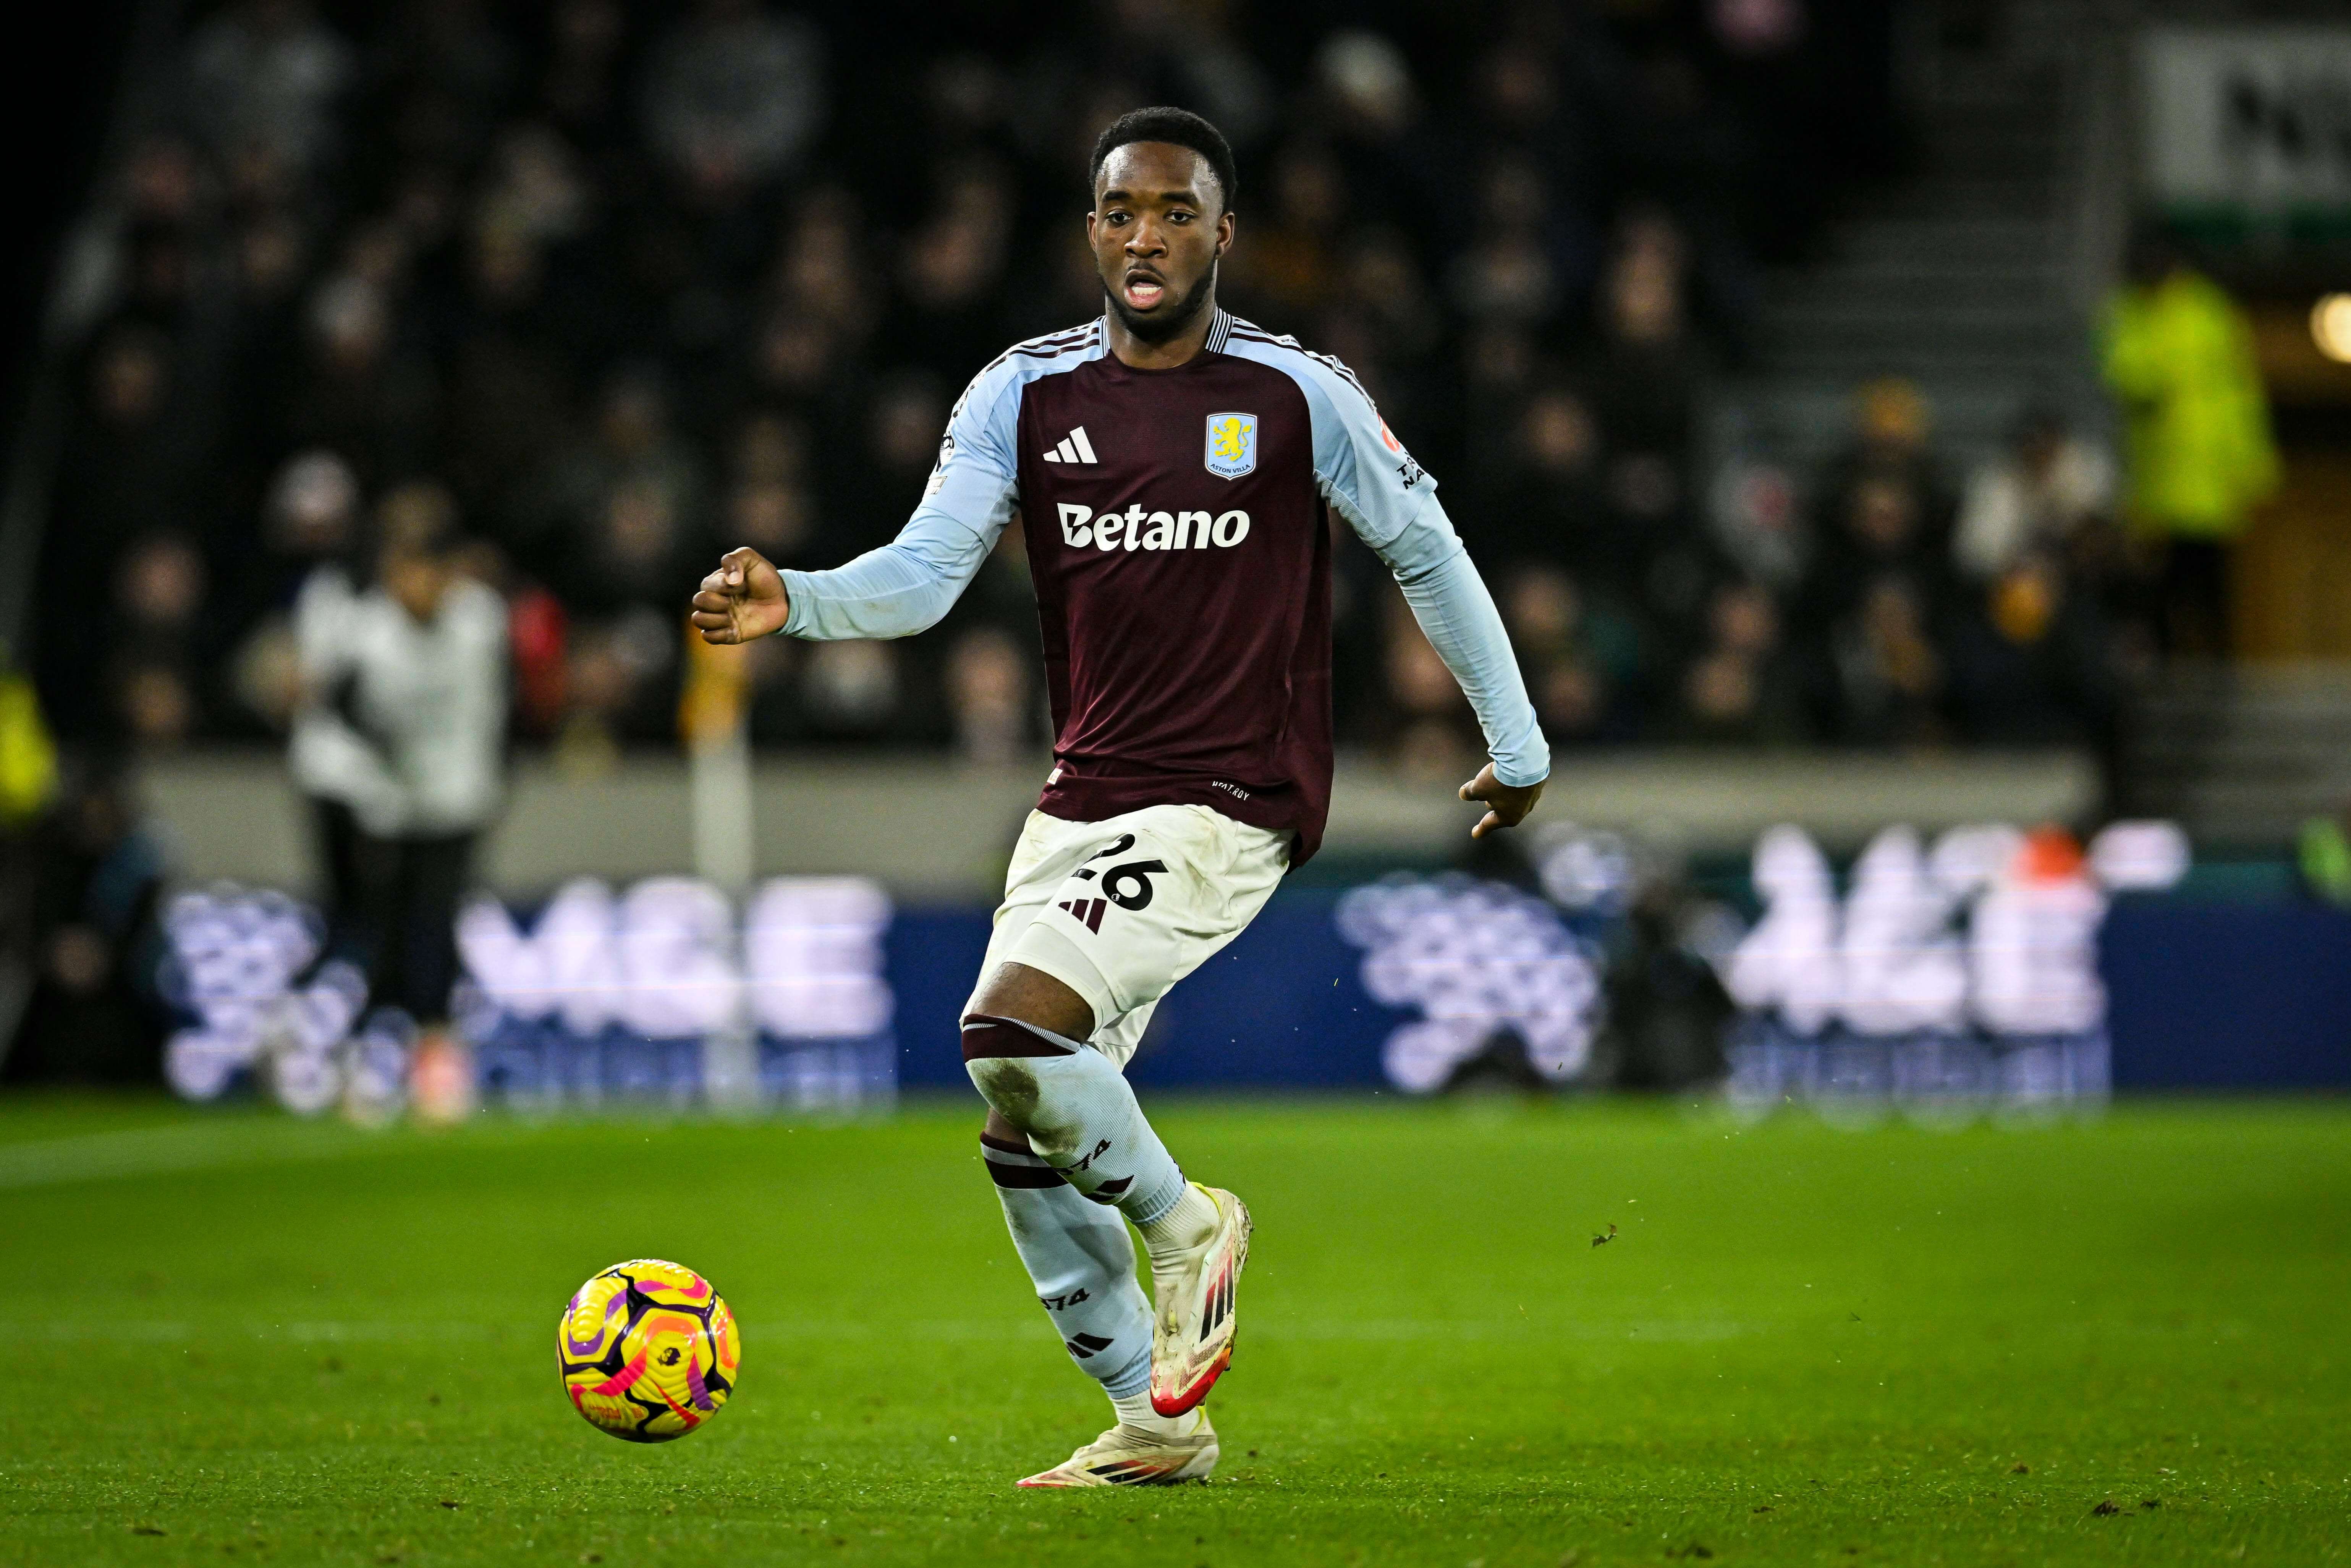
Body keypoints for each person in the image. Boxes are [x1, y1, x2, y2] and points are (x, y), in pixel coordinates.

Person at [691, 108, 1548, 1487]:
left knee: (1005, 1031)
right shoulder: (1020, 395)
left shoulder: (1294, 396)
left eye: (1173, 211)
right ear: (1089, 231)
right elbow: (923, 575)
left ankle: (1188, 1224)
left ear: (1223, 231)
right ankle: (1157, 1425)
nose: (1142, 236)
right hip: (1078, 800)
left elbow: (1428, 553)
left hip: (1229, 797)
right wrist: (799, 601)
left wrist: (1514, 746)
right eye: (1116, 212)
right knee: (1016, 1122)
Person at [2100, 229, 2278, 658]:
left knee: (2209, 576)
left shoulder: (2209, 311)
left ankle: (2217, 659)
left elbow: (2239, 392)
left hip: (2206, 468)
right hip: (2155, 470)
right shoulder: (2126, 310)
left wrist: (2253, 463)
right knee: (2157, 578)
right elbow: (2123, 371)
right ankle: (2165, 660)